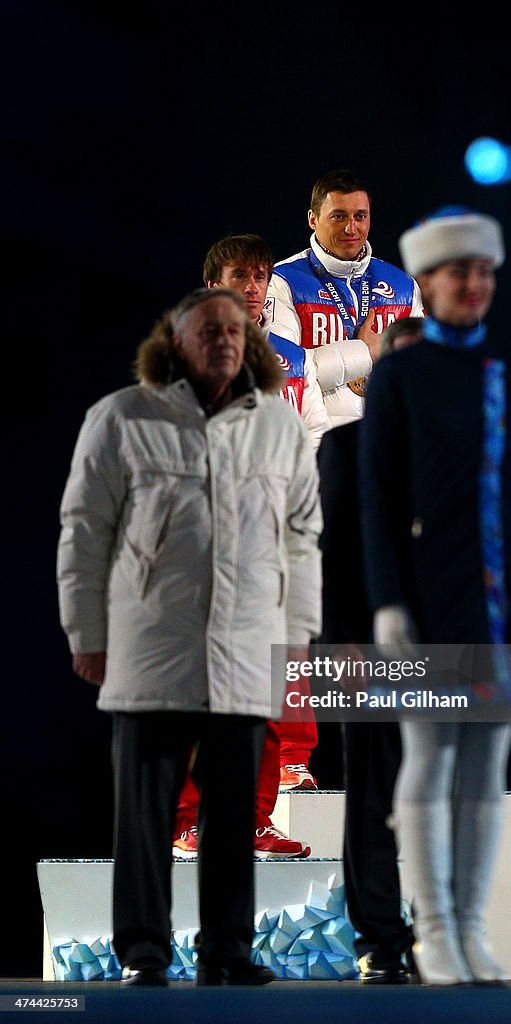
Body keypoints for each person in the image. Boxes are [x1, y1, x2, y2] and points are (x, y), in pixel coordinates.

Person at [57, 286, 322, 987]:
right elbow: (83, 534)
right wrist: (87, 633)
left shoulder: (279, 425)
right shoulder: (120, 417)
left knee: (232, 812)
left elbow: (302, 537)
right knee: (145, 814)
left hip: (245, 649)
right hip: (152, 651)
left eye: (235, 329)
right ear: (175, 340)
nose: (225, 340)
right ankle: (143, 951)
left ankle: (227, 950)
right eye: (208, 329)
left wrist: (296, 636)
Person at [358, 207, 511, 985]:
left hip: (505, 593)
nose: (474, 285)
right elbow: (376, 494)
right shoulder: (400, 373)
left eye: (483, 272)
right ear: (426, 282)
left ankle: (470, 926)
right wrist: (387, 598)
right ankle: (433, 930)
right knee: (431, 751)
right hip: (428, 593)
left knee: (487, 760)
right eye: (459, 273)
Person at [172, 235, 327, 864]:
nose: (254, 286)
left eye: (262, 276)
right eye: (240, 274)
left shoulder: (290, 358)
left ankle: (255, 821)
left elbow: (314, 435)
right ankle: (185, 822)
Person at [317, 316, 423, 985]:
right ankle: (381, 940)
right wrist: (342, 643)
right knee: (374, 795)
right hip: (367, 651)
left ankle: (446, 930)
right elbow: (325, 556)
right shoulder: (344, 445)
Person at [266, 168, 424, 427]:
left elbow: (423, 373)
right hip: (321, 447)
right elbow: (284, 377)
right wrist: (367, 352)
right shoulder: (282, 282)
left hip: (387, 443)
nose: (351, 228)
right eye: (338, 217)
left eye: (360, 216)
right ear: (313, 219)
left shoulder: (403, 286)